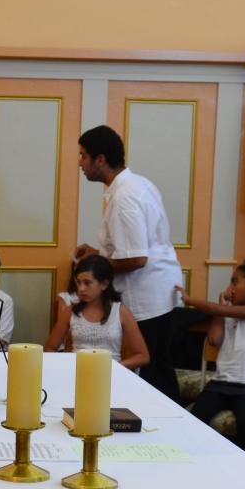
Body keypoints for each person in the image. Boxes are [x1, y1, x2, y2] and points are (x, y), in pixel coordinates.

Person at [73, 125, 185, 402]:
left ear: (100, 159)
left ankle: (166, 425)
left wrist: (97, 265)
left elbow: (136, 258)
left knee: (154, 378)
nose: (80, 163)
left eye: (84, 156)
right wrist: (97, 253)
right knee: (159, 369)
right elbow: (133, 247)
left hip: (146, 297)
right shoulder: (139, 184)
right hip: (159, 292)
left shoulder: (124, 198)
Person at [176, 261, 245, 454]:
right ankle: (198, 460)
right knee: (196, 419)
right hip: (219, 385)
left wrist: (190, 300)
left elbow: (220, 310)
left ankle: (241, 466)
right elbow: (214, 340)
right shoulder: (227, 312)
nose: (230, 288)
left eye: (234, 282)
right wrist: (220, 312)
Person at [44, 255, 150, 370]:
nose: (81, 289)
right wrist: (66, 366)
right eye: (78, 282)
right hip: (77, 371)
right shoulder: (70, 311)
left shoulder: (121, 312)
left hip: (110, 373)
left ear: (104, 284)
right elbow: (50, 348)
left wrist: (113, 367)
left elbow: (142, 356)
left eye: (87, 283)